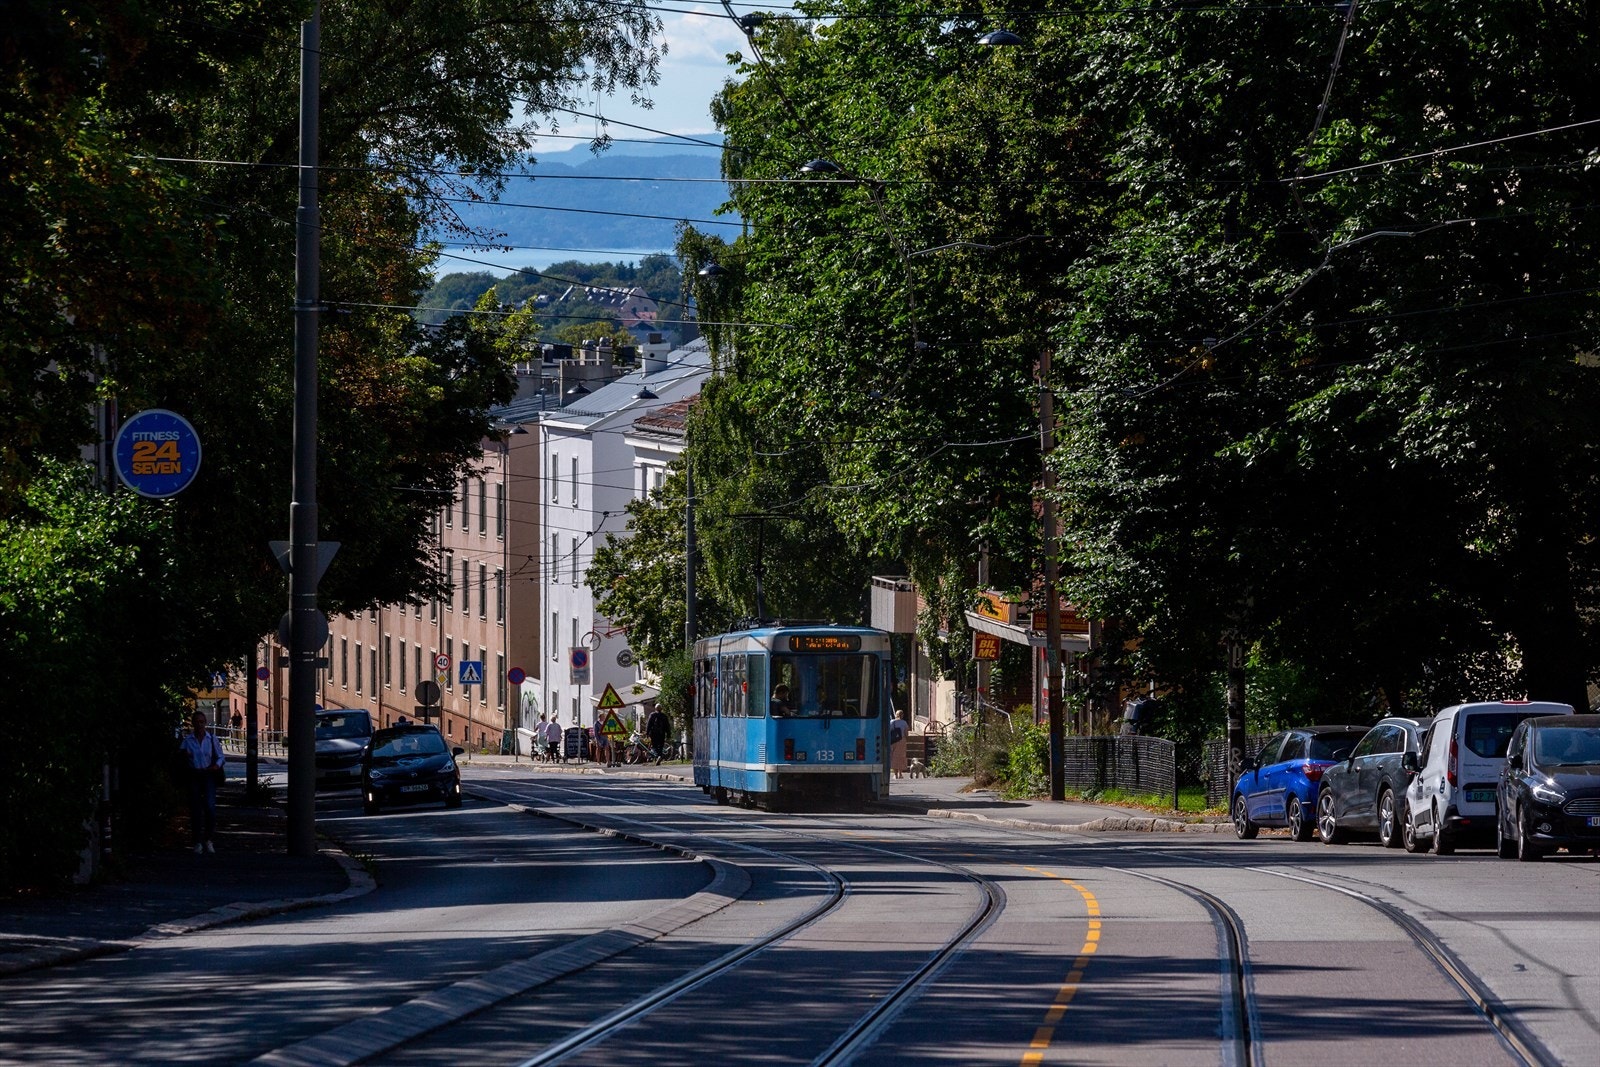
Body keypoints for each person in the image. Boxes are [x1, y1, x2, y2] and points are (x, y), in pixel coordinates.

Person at [180, 711, 226, 853]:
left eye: (202, 722)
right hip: (194, 774)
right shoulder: (188, 741)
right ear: (193, 724)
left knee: (210, 808)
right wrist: (185, 757)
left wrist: (216, 765)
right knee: (195, 810)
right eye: (197, 722)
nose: (200, 725)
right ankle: (197, 841)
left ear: (205, 723)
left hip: (208, 774)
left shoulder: (211, 739)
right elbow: (180, 759)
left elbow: (220, 756)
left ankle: (208, 839)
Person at [889, 708, 910, 778]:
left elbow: (889, 732)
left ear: (896, 715)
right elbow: (906, 734)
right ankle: (900, 774)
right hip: (902, 741)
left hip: (893, 741)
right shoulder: (904, 723)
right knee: (901, 756)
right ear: (902, 715)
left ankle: (895, 774)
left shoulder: (892, 722)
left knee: (894, 756)